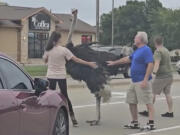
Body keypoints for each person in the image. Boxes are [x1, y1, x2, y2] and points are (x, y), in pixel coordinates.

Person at [43, 31, 97, 127]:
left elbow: (45, 60)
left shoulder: (48, 49)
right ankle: (73, 119)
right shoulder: (64, 50)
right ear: (58, 39)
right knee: (65, 97)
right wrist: (89, 63)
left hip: (50, 76)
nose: (61, 39)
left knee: (50, 97)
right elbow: (76, 60)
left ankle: (49, 118)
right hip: (61, 76)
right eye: (60, 37)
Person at [107, 31, 155, 130]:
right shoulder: (137, 50)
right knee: (131, 101)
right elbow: (127, 59)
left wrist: (145, 79)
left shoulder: (146, 50)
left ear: (140, 39)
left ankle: (151, 124)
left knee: (148, 102)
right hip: (134, 81)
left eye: (136, 37)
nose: (134, 38)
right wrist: (114, 63)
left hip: (142, 80)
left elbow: (150, 64)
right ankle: (135, 122)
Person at [139, 36, 174, 118]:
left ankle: (149, 111)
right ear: (162, 42)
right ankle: (170, 112)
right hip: (169, 75)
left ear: (155, 43)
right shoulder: (166, 50)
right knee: (168, 94)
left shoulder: (158, 51)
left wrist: (153, 73)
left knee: (152, 93)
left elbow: (157, 63)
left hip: (161, 76)